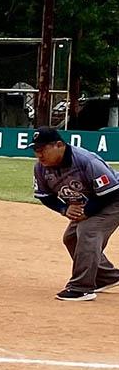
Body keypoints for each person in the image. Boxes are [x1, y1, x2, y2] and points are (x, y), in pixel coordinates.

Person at [30, 127, 119, 302]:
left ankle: (81, 288)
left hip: (113, 199)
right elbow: (45, 196)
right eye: (36, 150)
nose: (39, 154)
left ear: (59, 145)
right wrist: (64, 209)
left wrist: (87, 212)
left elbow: (111, 191)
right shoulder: (41, 168)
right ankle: (106, 277)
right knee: (71, 238)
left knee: (88, 232)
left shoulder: (86, 161)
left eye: (42, 149)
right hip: (91, 201)